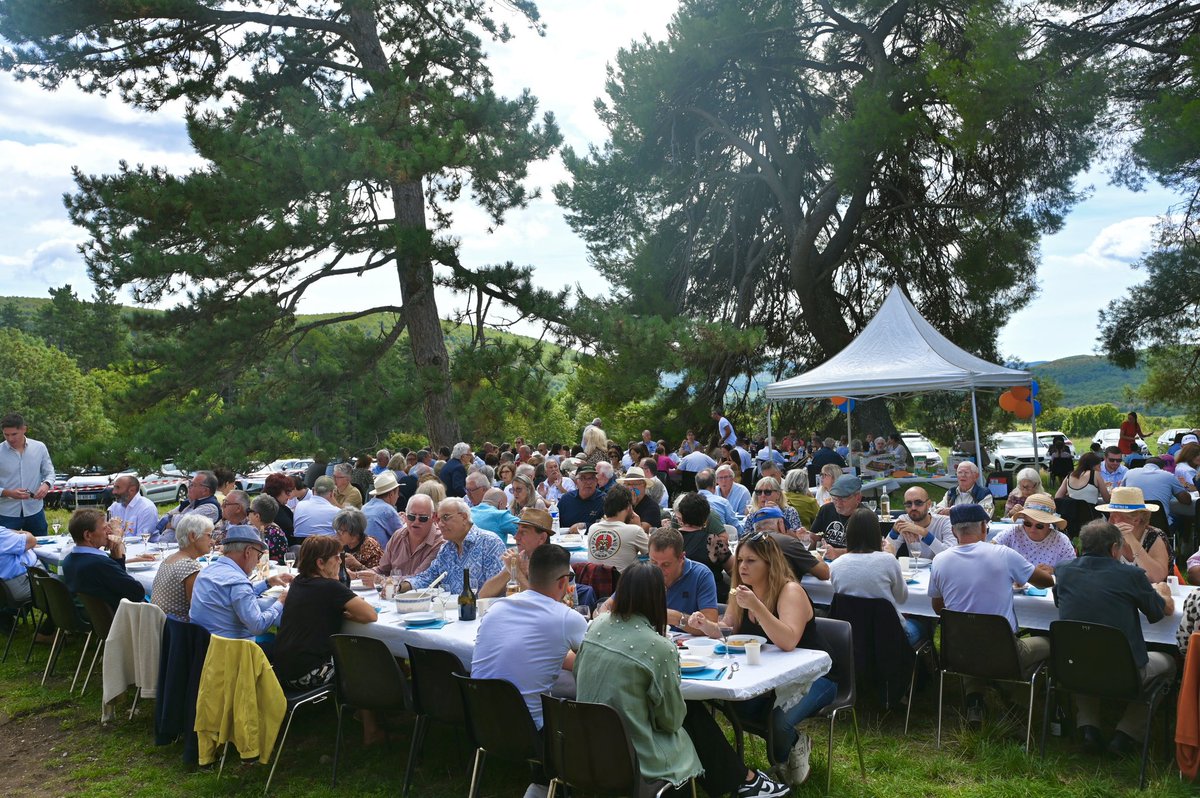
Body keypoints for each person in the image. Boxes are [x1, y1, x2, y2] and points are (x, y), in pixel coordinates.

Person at [575, 562, 789, 798]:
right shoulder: (659, 647)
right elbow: (671, 720)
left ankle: (741, 778)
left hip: (585, 741)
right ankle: (741, 780)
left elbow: (578, 673)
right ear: (659, 598)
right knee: (691, 714)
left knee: (690, 712)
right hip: (633, 752)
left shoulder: (595, 626)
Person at [688, 532, 832, 788]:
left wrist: (757, 607)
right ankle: (783, 748)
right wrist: (707, 626)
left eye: (751, 561)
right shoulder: (743, 591)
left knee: (778, 724)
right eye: (740, 559)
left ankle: (792, 748)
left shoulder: (790, 591)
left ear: (769, 563)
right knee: (736, 708)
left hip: (814, 676)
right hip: (768, 674)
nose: (742, 566)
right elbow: (728, 629)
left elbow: (788, 641)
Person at [1055, 519, 1174, 754]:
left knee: (1082, 653)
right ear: (1113, 549)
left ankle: (1088, 729)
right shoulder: (1130, 575)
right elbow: (1160, 612)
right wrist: (1164, 593)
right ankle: (1126, 734)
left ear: (1082, 545)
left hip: (1072, 668)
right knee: (1169, 664)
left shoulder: (1063, 570)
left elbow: (1059, 601)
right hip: (1123, 672)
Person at [927, 504, 1054, 724]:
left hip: (958, 653)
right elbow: (1045, 582)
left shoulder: (940, 561)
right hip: (1005, 653)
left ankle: (975, 701)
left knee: (970, 635)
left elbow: (938, 607)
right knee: (1053, 643)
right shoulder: (1003, 555)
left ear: (954, 531)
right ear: (985, 527)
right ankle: (1019, 704)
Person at [472, 544, 586, 754]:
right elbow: (595, 662)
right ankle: (547, 782)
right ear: (563, 582)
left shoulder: (497, 608)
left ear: (529, 574)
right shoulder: (566, 618)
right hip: (532, 733)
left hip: (481, 724)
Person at [829, 509, 921, 644]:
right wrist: (891, 555)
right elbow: (902, 598)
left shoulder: (836, 565)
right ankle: (926, 663)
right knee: (924, 624)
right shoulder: (888, 560)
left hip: (852, 636)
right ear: (876, 534)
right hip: (889, 635)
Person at [190, 524, 292, 639]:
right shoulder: (238, 582)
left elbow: (236, 596)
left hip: (202, 646)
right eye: (259, 555)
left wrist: (267, 583)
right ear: (248, 551)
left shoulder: (206, 571)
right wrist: (281, 601)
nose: (258, 561)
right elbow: (258, 626)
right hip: (233, 651)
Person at [397, 498, 505, 595]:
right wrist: (401, 586)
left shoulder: (490, 543)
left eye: (445, 517)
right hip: (450, 613)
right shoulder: (446, 549)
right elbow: (429, 577)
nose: (440, 524)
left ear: (464, 517)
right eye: (438, 519)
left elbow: (499, 587)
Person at [61, 508, 152, 611]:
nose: (109, 531)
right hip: (116, 622)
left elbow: (121, 584)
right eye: (105, 528)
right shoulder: (99, 564)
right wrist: (118, 546)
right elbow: (137, 592)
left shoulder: (69, 559)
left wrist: (115, 551)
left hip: (93, 619)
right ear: (88, 535)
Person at [356, 494, 444, 586]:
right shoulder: (398, 536)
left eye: (423, 518)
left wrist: (382, 580)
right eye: (411, 517)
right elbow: (382, 569)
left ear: (433, 517)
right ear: (405, 516)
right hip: (392, 595)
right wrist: (359, 575)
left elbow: (419, 579)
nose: (416, 521)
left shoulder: (440, 542)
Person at [1095, 486, 1173, 585]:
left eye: (1115, 517)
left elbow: (1157, 578)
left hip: (1150, 595)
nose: (1110, 521)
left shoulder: (1154, 536)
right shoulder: (1108, 536)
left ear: (1136, 520)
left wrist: (1131, 540)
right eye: (1110, 515)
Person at [648, 527, 719, 633]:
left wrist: (677, 618)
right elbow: (614, 607)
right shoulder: (642, 573)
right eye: (653, 562)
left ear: (681, 557)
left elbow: (711, 627)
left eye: (666, 564)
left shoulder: (701, 575)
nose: (658, 570)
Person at [150, 514, 215, 622]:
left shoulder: (169, 559)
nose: (212, 542)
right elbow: (198, 611)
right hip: (178, 632)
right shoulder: (190, 567)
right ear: (193, 536)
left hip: (161, 627)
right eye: (209, 536)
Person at [480, 508, 555, 598]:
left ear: (542, 538)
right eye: (517, 531)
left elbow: (540, 602)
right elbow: (483, 595)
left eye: (523, 532)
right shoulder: (520, 557)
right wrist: (511, 568)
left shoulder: (554, 562)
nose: (516, 537)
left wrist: (516, 572)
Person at [0, 412, 55, 535]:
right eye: (6, 434)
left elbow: (50, 472)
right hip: (6, 512)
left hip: (34, 510)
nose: (10, 439)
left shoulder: (39, 447)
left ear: (24, 429)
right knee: (4, 551)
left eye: (14, 434)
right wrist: (8, 493)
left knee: (41, 548)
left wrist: (46, 485)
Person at [673, 492, 734, 602]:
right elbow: (733, 570)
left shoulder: (670, 540)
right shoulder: (713, 541)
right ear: (706, 519)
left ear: (681, 517)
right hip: (712, 598)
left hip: (677, 598)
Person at [993, 493, 1076, 569]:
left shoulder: (1060, 540)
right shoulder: (1013, 532)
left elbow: (1072, 570)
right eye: (1028, 524)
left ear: (1049, 523)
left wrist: (1054, 571)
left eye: (1039, 526)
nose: (1032, 529)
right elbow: (988, 551)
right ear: (1023, 519)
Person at [587, 484, 650, 571]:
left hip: (595, 583)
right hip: (623, 583)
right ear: (628, 507)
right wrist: (638, 526)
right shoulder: (634, 530)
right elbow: (653, 554)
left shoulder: (593, 528)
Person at [885, 486, 956, 560]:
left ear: (929, 504)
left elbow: (950, 556)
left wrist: (924, 533)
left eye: (918, 503)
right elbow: (886, 555)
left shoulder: (945, 522)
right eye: (908, 504)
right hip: (913, 570)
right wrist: (894, 532)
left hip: (939, 569)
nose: (913, 508)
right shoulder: (904, 520)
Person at [1124, 456, 1192, 528]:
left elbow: (1120, 494)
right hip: (1160, 523)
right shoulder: (1168, 476)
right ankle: (1183, 539)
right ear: (1162, 468)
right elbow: (1186, 500)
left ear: (1145, 464)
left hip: (1132, 521)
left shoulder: (1129, 473)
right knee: (1184, 519)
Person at [809, 474, 864, 558]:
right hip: (826, 562)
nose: (838, 503)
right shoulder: (826, 510)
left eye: (843, 499)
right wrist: (804, 540)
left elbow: (870, 550)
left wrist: (837, 553)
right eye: (834, 498)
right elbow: (813, 539)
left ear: (858, 498)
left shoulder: (866, 517)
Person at [159, 471, 222, 543]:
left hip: (185, 550)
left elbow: (184, 524)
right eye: (190, 483)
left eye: (193, 485)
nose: (188, 487)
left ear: (205, 490)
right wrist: (172, 521)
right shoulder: (190, 502)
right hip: (166, 546)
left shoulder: (210, 508)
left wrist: (172, 520)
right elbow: (164, 518)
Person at [0, 525, 37, 622]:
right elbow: (32, 541)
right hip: (20, 585)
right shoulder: (2, 535)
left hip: (7, 586)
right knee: (63, 585)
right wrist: (25, 533)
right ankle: (49, 629)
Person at [108, 475, 159, 541]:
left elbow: (142, 540)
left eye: (118, 488)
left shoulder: (147, 508)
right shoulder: (114, 507)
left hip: (145, 549)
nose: (114, 492)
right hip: (119, 548)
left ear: (132, 490)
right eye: (114, 488)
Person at [361, 471, 404, 548]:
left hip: (363, 553)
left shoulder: (365, 507)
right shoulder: (388, 510)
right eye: (397, 493)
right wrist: (405, 522)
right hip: (380, 556)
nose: (398, 496)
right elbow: (403, 536)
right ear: (391, 494)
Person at [558, 464, 606, 532]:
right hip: (567, 540)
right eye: (583, 478)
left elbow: (609, 526)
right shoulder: (566, 499)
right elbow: (555, 523)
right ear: (576, 482)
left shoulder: (604, 500)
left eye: (591, 478)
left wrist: (585, 526)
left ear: (596, 481)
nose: (588, 482)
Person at [696, 469, 743, 535]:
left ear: (697, 485)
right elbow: (735, 527)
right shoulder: (722, 502)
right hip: (719, 541)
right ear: (714, 484)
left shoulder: (687, 502)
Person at [247, 494, 289, 560]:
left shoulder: (267, 536)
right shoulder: (274, 530)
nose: (247, 514)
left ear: (257, 516)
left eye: (249, 510)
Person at [262, 472, 295, 538]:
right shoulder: (279, 512)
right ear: (277, 491)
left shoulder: (261, 507)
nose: (289, 496)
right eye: (287, 492)